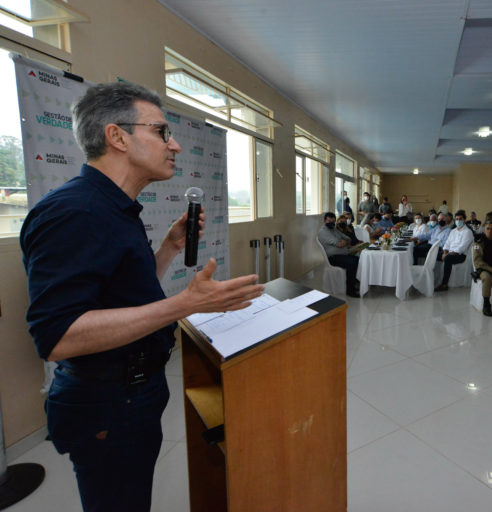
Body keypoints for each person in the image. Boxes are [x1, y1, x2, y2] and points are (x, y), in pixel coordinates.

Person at [20, 82, 263, 512]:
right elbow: (57, 337)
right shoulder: (74, 211)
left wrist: (169, 248)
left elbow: (121, 297)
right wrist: (185, 304)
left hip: (135, 394)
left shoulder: (116, 208)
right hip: (107, 405)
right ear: (118, 137)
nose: (176, 146)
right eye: (162, 132)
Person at [318, 212, 360, 297]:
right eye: (329, 221)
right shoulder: (323, 232)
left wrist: (344, 241)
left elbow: (348, 238)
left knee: (357, 259)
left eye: (333, 221)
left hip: (342, 254)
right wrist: (343, 242)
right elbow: (339, 244)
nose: (331, 223)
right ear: (324, 221)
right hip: (333, 258)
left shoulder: (334, 229)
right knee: (352, 263)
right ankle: (350, 290)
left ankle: (354, 282)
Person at [435, 210, 474, 292]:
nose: (458, 221)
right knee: (435, 255)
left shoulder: (467, 232)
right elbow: (447, 243)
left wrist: (447, 254)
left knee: (448, 258)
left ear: (464, 220)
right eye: (457, 219)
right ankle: (435, 278)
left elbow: (462, 248)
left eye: (460, 219)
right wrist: (445, 252)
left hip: (461, 255)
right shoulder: (453, 231)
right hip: (449, 253)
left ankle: (444, 284)